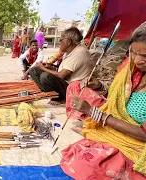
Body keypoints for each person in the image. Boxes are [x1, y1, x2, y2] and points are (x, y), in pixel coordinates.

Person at [61, 22, 146, 179]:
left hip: (137, 140)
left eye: (145, 55)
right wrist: (99, 86)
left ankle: (89, 122)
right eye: (133, 52)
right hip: (115, 121)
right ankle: (87, 121)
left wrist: (94, 113)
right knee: (75, 88)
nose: (137, 59)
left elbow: (144, 134)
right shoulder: (132, 67)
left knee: (85, 162)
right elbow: (119, 99)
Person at [29, 27, 91, 105]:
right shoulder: (69, 52)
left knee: (45, 76)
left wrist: (43, 68)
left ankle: (61, 97)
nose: (59, 42)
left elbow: (61, 75)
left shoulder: (80, 52)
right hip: (65, 82)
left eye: (61, 39)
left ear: (69, 41)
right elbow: (62, 71)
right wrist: (50, 67)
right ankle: (50, 92)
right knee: (34, 70)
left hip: (73, 88)